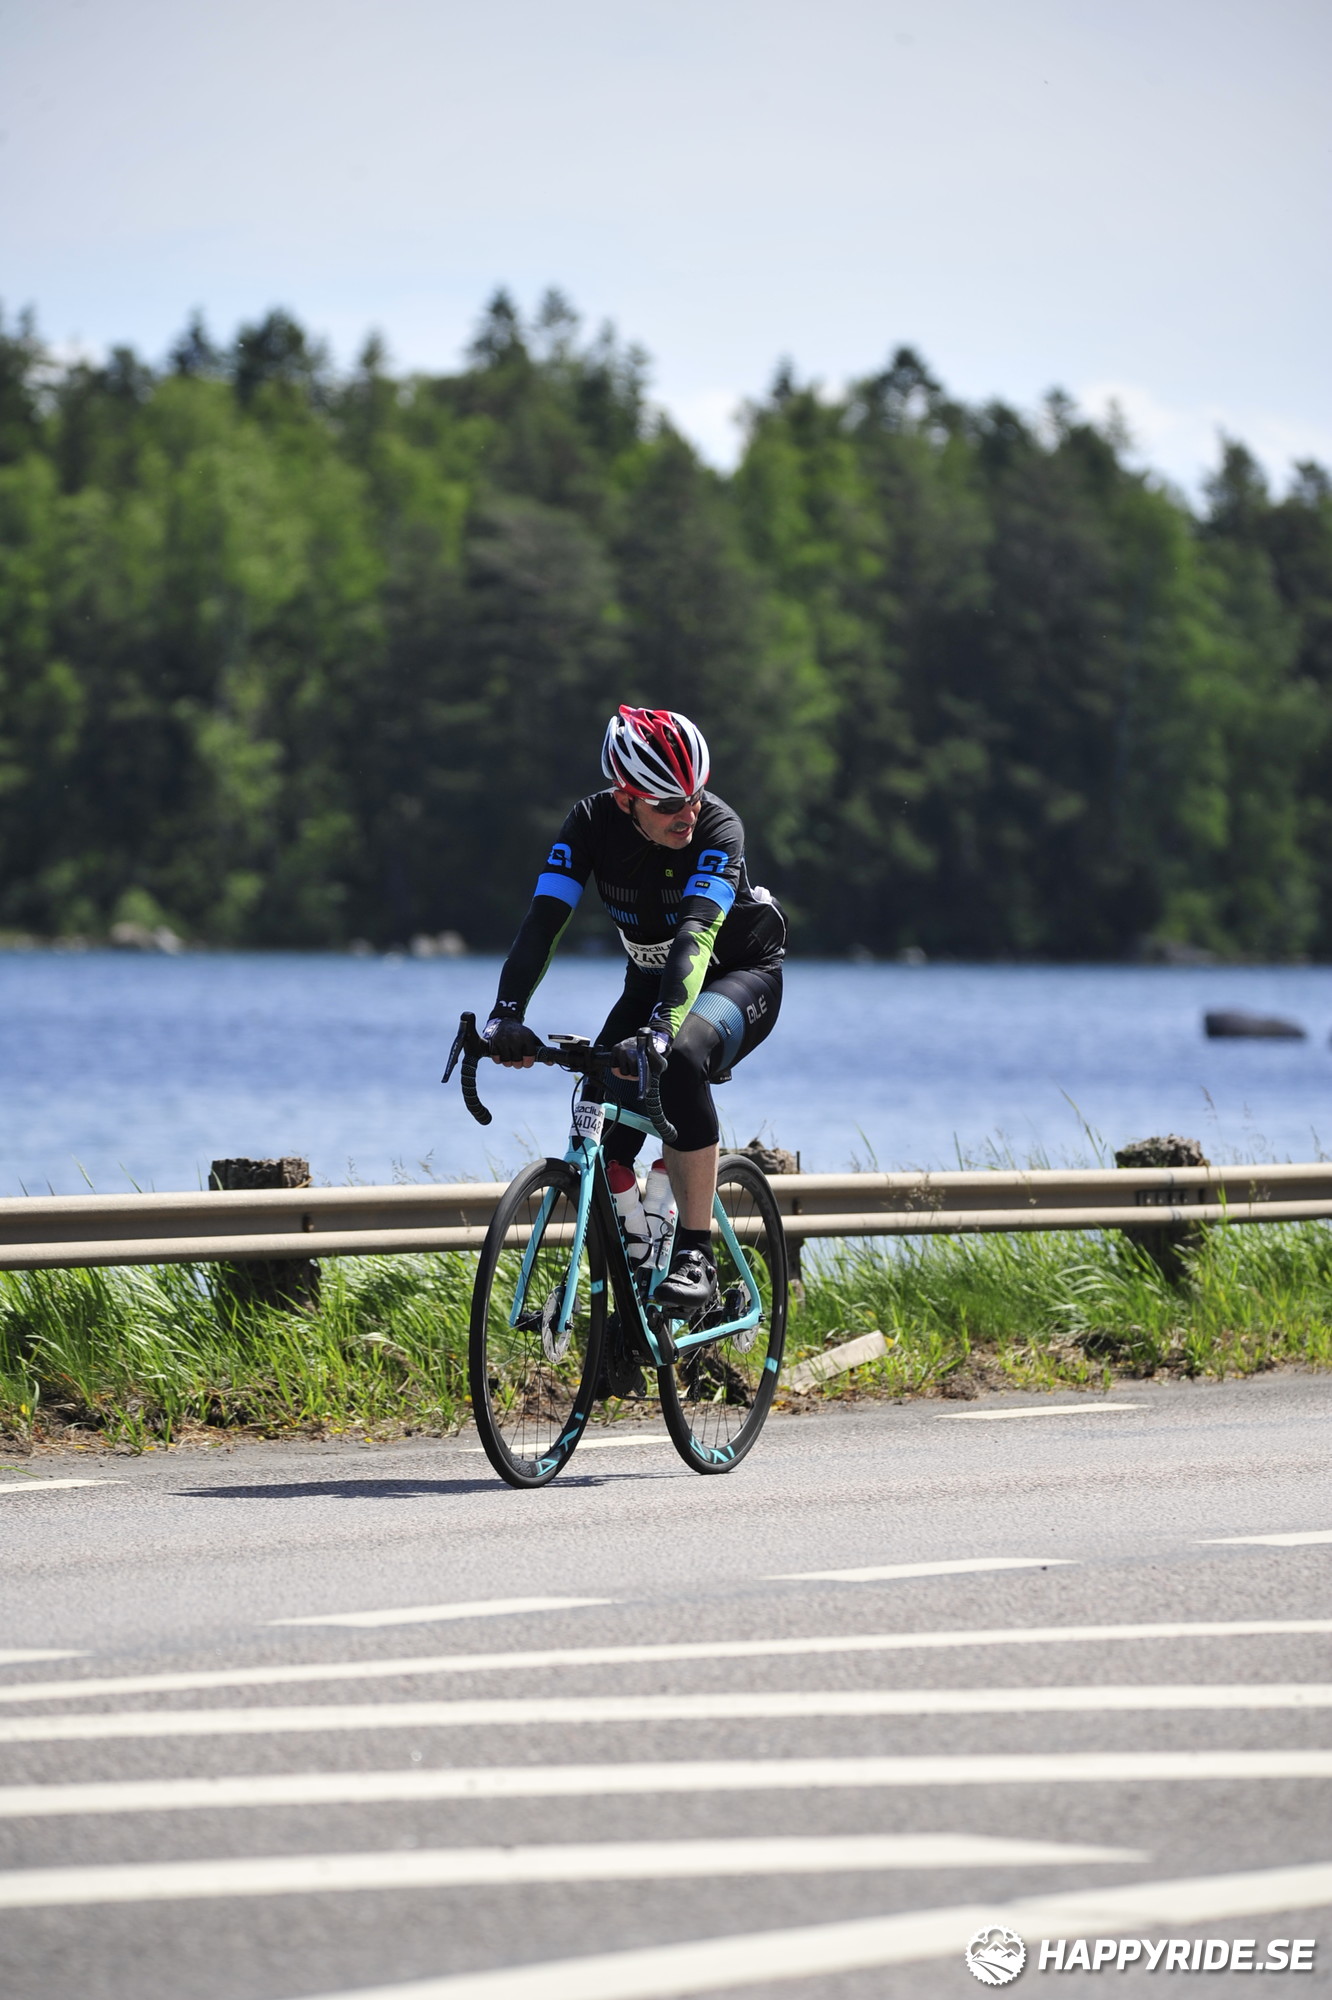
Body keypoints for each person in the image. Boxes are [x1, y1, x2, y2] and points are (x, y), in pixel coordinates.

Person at [480, 705, 786, 1312]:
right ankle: (634, 1300)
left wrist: (663, 1031)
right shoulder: (589, 824)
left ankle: (696, 1255)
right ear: (625, 799)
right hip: (650, 982)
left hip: (737, 974)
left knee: (682, 1059)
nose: (687, 814)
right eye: (668, 804)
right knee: (598, 1109)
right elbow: (543, 922)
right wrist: (505, 1015)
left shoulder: (718, 828)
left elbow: (696, 936)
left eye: (694, 796)